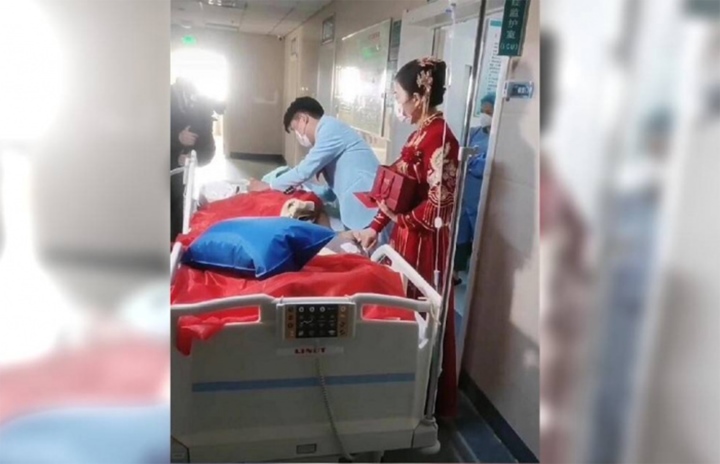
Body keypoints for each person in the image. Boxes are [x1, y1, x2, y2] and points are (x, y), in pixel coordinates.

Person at [352, 57, 459, 418]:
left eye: (399, 97)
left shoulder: (441, 138)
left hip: (427, 243)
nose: (398, 105)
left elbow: (441, 203)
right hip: (405, 237)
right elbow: (399, 187)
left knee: (423, 313)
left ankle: (420, 399)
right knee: (402, 306)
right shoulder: (418, 134)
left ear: (420, 96)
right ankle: (398, 385)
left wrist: (402, 220)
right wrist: (375, 225)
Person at [247, 97, 380, 232]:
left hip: (367, 206)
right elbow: (330, 192)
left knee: (371, 243)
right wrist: (305, 189)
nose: (298, 136)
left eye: (295, 129)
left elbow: (303, 171)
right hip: (357, 207)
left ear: (303, 119)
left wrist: (269, 186)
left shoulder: (330, 129)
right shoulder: (329, 132)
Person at [170, 77, 218, 242]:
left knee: (177, 214)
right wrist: (177, 139)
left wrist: (194, 158)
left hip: (178, 178)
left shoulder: (199, 106)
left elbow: (207, 149)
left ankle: (175, 244)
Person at [454, 110, 493, 280]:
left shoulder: (498, 138)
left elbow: (486, 165)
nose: (485, 115)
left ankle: (477, 279)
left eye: (489, 111)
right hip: (464, 192)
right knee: (459, 234)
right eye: (483, 110)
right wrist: (473, 161)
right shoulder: (474, 132)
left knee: (478, 236)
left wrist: (472, 161)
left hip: (480, 196)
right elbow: (461, 155)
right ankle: (455, 273)